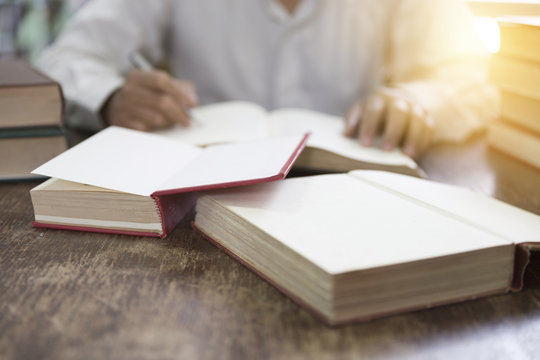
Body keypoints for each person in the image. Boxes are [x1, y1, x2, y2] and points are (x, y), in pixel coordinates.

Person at [38, 0, 496, 158]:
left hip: (357, 186)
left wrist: (420, 100)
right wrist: (111, 95)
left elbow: (468, 77)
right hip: (197, 200)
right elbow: (67, 57)